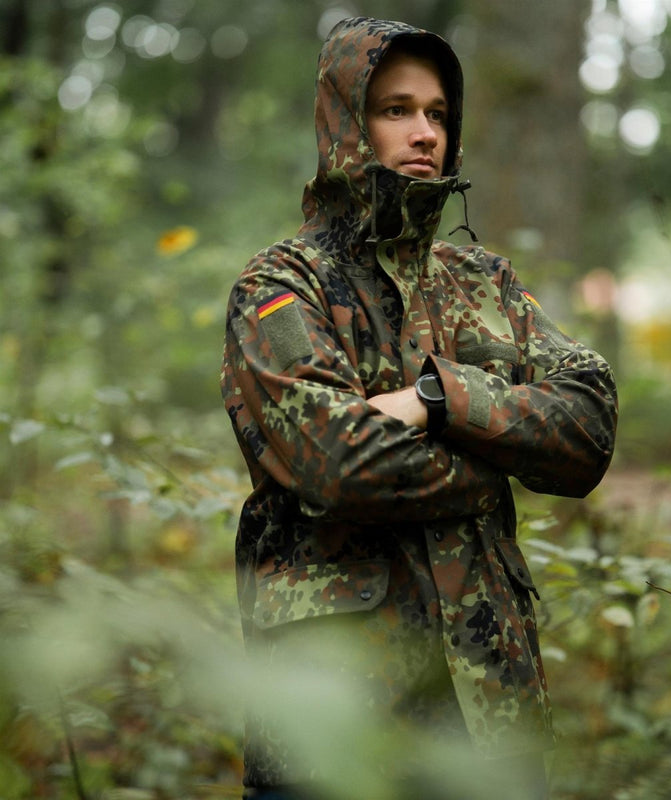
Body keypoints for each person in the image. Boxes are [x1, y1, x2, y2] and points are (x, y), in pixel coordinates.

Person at [221, 15, 618, 800]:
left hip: (490, 715)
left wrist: (439, 399)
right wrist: (497, 454)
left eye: (438, 113)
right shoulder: (279, 286)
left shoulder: (486, 283)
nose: (424, 132)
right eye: (395, 109)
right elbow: (336, 464)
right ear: (345, 118)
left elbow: (590, 424)